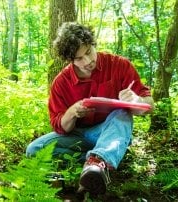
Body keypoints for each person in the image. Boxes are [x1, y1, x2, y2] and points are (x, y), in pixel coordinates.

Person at [26, 22, 154, 195]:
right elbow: (59, 126)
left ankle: (97, 162)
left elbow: (148, 105)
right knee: (34, 150)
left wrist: (137, 100)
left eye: (88, 52)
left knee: (121, 112)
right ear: (70, 60)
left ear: (94, 44)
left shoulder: (119, 65)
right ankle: (94, 164)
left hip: (111, 131)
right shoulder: (61, 82)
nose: (87, 61)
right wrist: (71, 112)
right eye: (79, 58)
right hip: (78, 135)